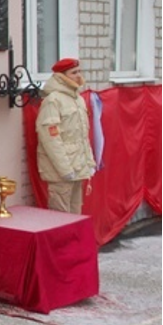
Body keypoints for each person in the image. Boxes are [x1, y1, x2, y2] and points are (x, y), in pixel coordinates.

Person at [35, 57, 96, 214]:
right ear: (61, 76)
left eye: (79, 71)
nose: (78, 75)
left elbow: (83, 136)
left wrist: (89, 163)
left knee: (75, 215)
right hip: (61, 172)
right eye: (73, 72)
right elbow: (50, 139)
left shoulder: (78, 99)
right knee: (60, 217)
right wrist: (64, 169)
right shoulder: (53, 100)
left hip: (77, 168)